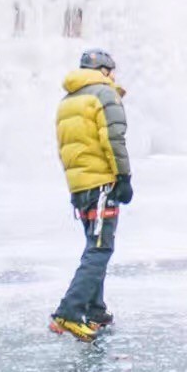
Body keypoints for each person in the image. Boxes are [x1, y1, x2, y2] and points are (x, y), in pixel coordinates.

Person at [49, 49, 133, 342]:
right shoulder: (104, 95)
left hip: (80, 185)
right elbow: (113, 139)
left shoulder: (67, 101)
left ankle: (95, 309)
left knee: (93, 243)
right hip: (102, 184)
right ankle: (68, 312)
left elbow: (64, 147)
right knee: (101, 248)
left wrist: (76, 186)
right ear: (104, 70)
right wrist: (123, 177)